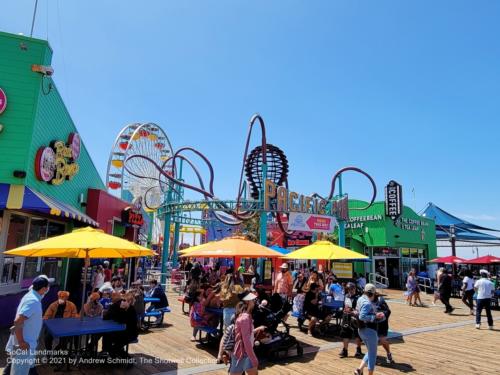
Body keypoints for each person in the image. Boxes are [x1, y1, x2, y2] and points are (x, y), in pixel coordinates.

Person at [6, 275, 51, 375]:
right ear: (43, 289)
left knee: (28, 369)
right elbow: (18, 321)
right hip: (24, 346)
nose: (48, 289)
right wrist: (21, 342)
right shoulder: (33, 301)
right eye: (47, 287)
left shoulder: (32, 295)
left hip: (28, 345)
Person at [353, 283, 386, 375]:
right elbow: (362, 316)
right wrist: (375, 316)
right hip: (369, 331)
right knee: (373, 354)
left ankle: (359, 370)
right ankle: (370, 373)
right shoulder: (367, 303)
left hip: (361, 330)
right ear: (371, 294)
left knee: (370, 351)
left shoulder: (360, 299)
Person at [217, 274, 244, 363]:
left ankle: (219, 355)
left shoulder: (223, 288)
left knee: (225, 334)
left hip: (226, 312)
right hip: (234, 312)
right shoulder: (236, 288)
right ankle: (232, 355)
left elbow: (219, 301)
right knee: (234, 335)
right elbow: (244, 293)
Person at [230, 292, 259, 375]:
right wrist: (253, 357)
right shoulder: (245, 318)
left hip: (246, 352)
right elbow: (246, 340)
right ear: (248, 302)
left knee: (253, 373)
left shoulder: (245, 315)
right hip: (242, 353)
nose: (255, 302)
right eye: (253, 300)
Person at [103, 292, 138, 358]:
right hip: (123, 332)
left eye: (124, 300)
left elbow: (121, 320)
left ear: (130, 301)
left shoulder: (131, 309)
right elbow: (115, 318)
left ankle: (126, 359)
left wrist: (121, 309)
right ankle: (108, 354)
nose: (122, 302)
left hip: (129, 334)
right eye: (123, 300)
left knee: (112, 343)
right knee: (107, 336)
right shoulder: (124, 308)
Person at [339, 282, 363, 359]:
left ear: (355, 289)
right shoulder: (346, 296)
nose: (350, 291)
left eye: (351, 289)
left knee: (357, 334)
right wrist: (344, 310)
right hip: (346, 317)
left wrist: (353, 311)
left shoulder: (358, 297)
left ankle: (358, 349)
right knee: (345, 333)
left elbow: (360, 309)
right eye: (348, 289)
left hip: (355, 317)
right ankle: (345, 350)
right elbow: (344, 306)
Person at [373, 292, 394, 364]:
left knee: (382, 341)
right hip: (372, 324)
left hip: (382, 324)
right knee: (372, 342)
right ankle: (372, 357)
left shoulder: (381, 300)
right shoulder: (366, 300)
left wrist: (382, 314)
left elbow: (388, 311)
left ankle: (388, 353)